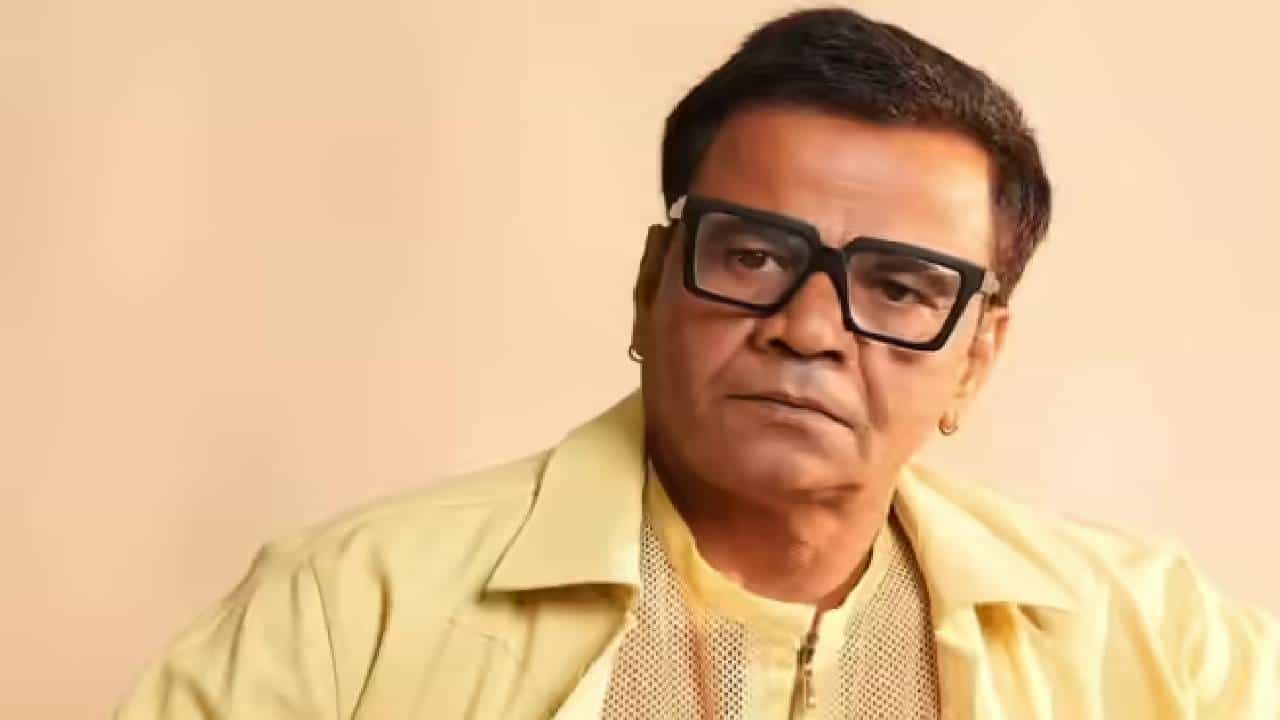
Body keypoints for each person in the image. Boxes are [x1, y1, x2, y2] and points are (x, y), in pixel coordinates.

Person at [116, 7, 1279, 719]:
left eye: (897, 288)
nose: (807, 328)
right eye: (754, 255)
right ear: (651, 281)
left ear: (975, 357)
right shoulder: (353, 610)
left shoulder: (1158, 643)